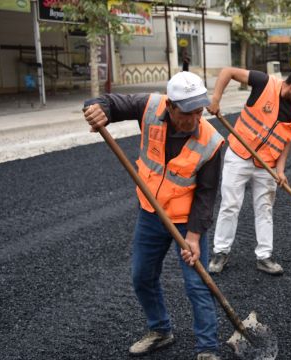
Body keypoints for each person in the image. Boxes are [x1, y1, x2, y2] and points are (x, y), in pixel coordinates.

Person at [82, 71, 225, 360]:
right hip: (150, 214)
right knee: (142, 276)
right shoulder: (149, 107)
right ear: (171, 107)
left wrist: (195, 237)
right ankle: (160, 330)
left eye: (199, 111)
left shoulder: (211, 141)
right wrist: (96, 108)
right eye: (189, 112)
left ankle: (207, 348)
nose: (196, 118)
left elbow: (207, 195)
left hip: (186, 222)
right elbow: (110, 103)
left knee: (197, 283)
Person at [206, 67, 291, 276]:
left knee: (265, 209)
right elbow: (227, 72)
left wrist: (281, 170)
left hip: (267, 165)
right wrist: (216, 99)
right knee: (230, 205)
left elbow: (286, 141)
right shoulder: (264, 83)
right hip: (239, 154)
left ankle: (264, 257)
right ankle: (221, 252)